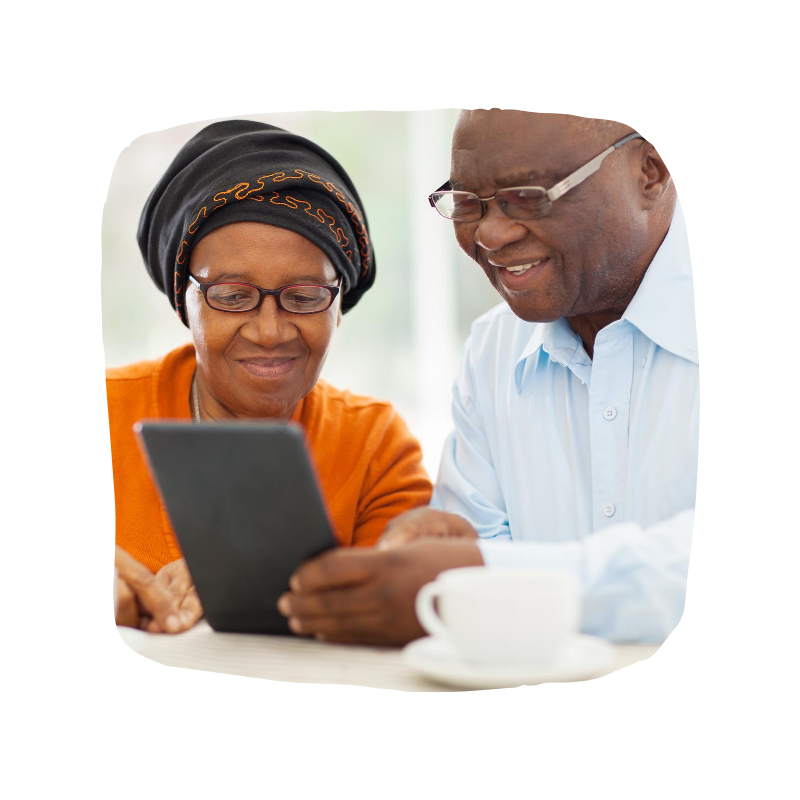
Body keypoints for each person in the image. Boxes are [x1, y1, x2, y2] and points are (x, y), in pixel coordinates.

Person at [278, 111, 697, 645]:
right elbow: (470, 559)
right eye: (467, 204)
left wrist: (479, 571)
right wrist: (438, 554)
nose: (492, 233)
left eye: (529, 196)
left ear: (651, 173)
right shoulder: (495, 350)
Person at [109, 120, 432, 631]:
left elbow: (401, 617)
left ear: (339, 305)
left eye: (304, 298)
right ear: (183, 304)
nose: (268, 331)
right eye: (232, 296)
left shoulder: (374, 448)